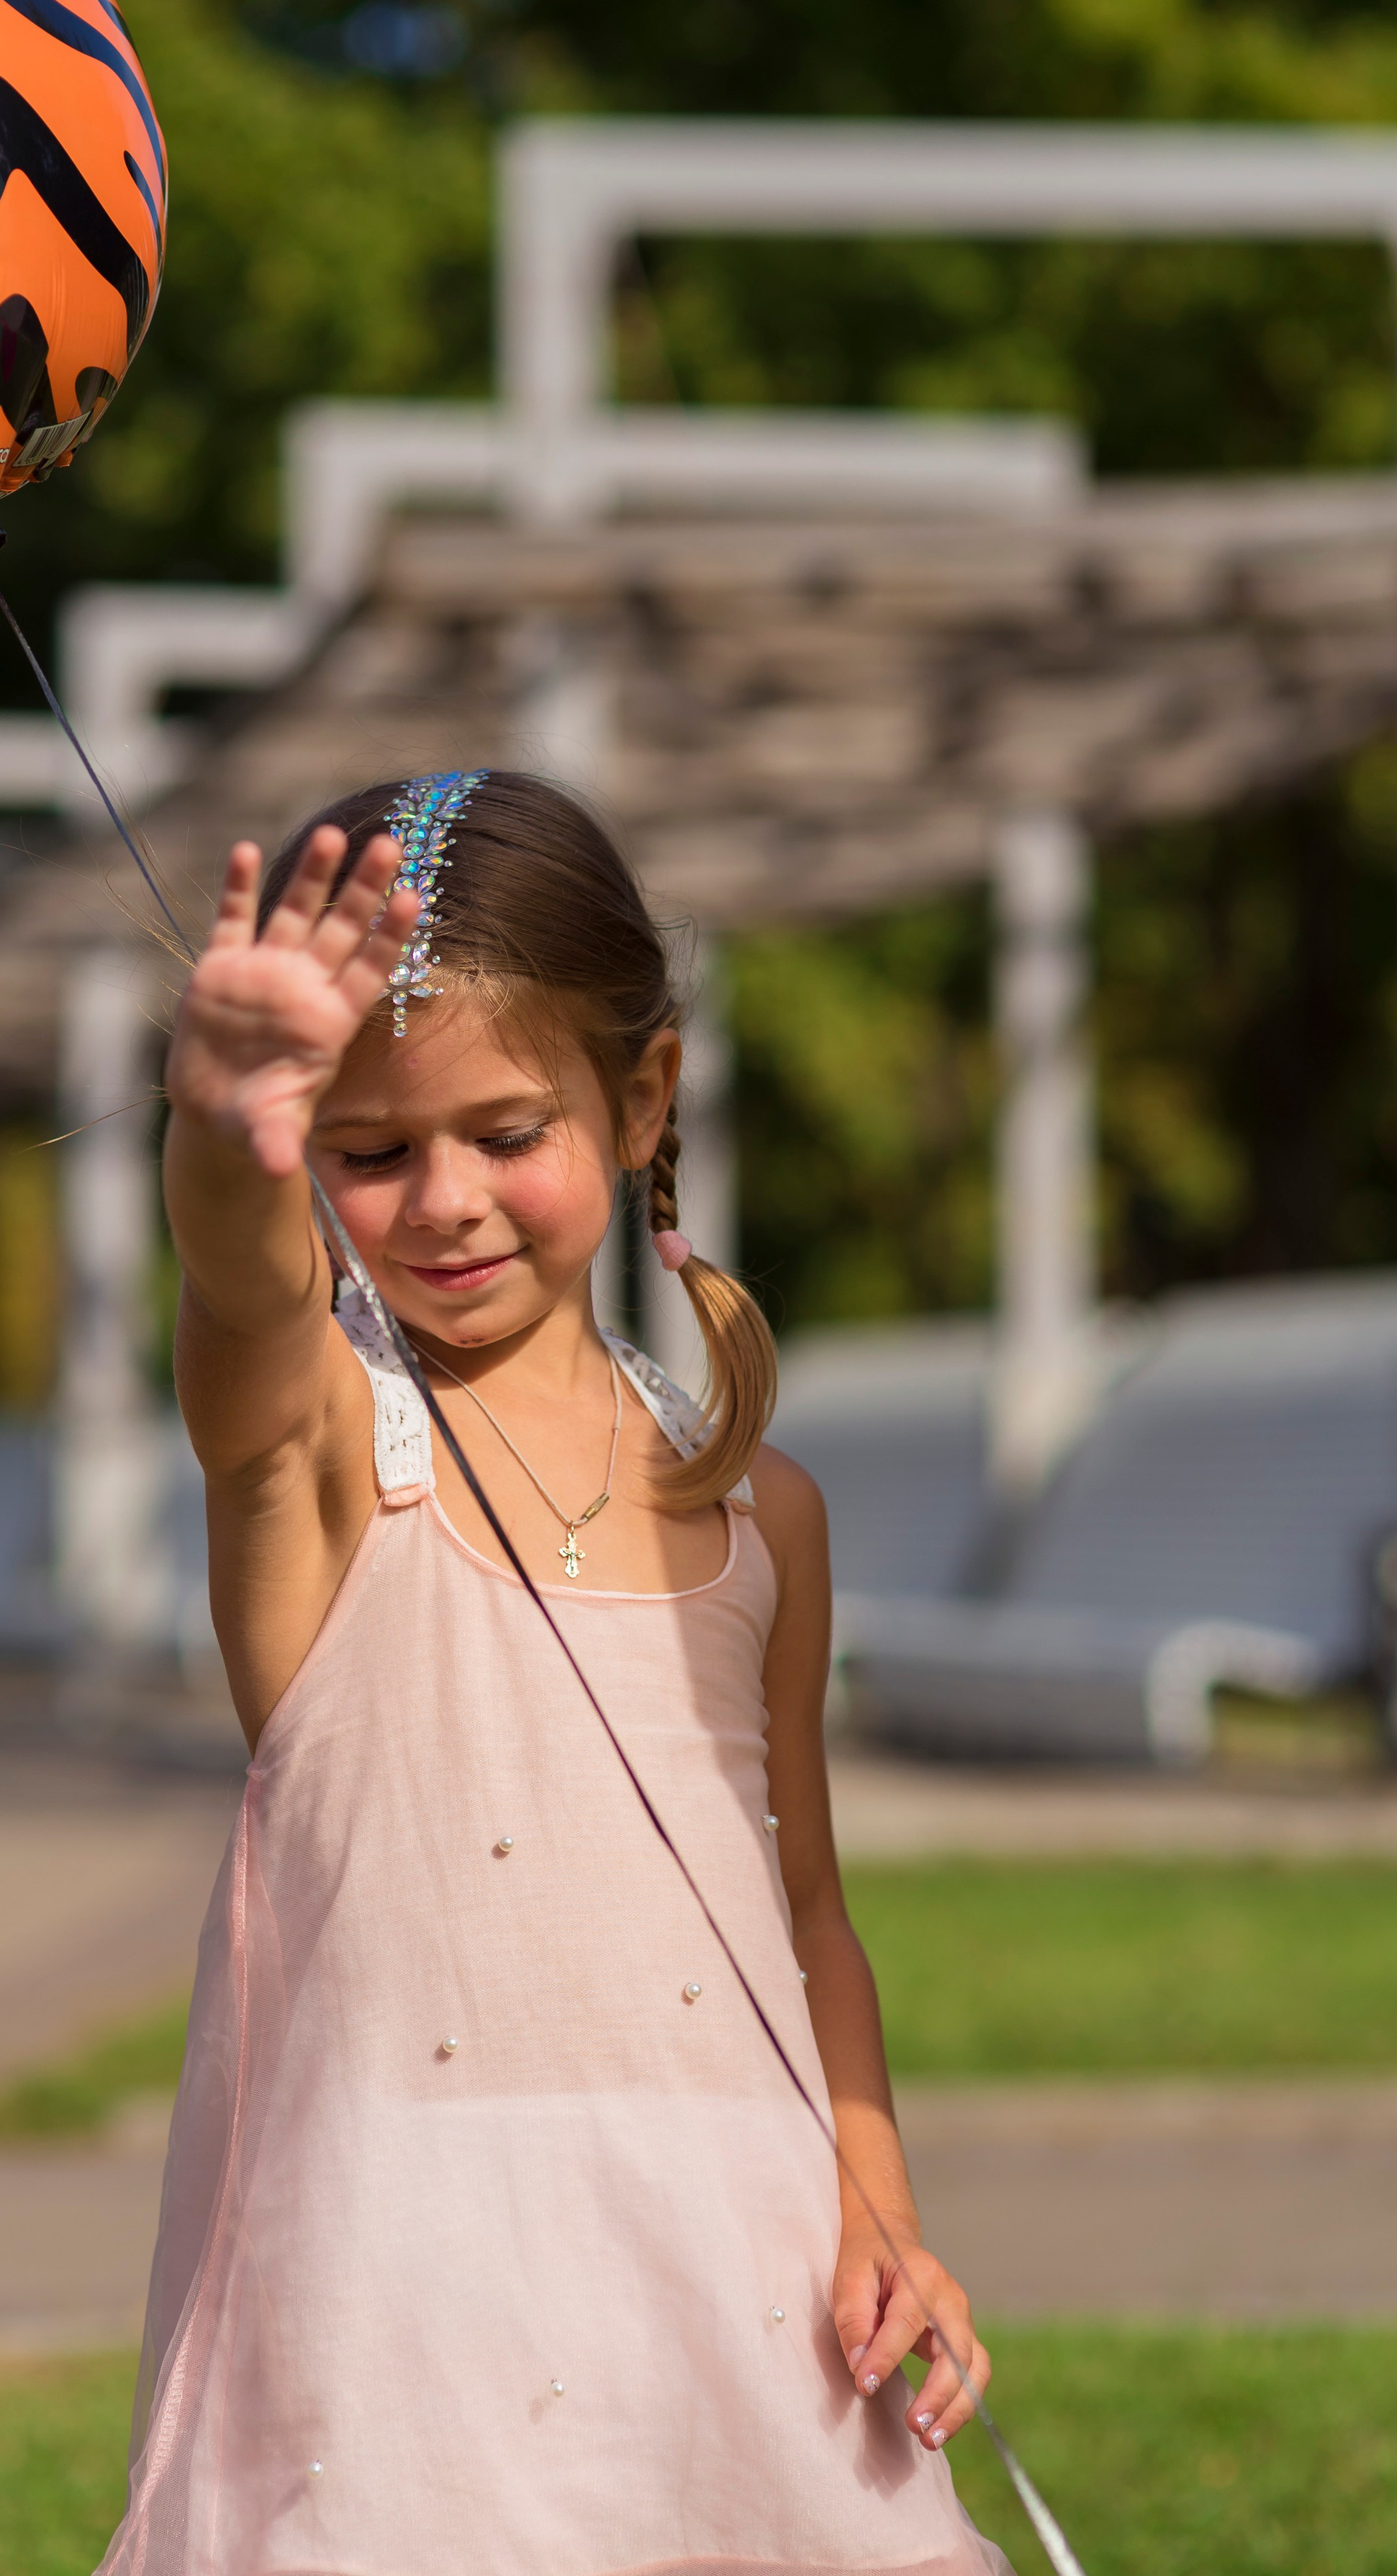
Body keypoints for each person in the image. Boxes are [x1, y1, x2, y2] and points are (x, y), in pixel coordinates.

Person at [101, 770, 1010, 2576]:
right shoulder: (334, 1462)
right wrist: (224, 1128)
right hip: (404, 2306)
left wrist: (875, 2194)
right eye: (365, 1152)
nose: (442, 1201)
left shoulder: (768, 1520)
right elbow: (242, 1302)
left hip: (738, 2288)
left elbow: (806, 1912)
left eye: (504, 1131)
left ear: (644, 1092)